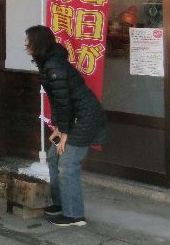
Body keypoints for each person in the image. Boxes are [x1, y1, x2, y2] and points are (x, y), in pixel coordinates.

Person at [24, 25, 108, 227]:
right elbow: (61, 101)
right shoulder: (49, 62)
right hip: (75, 117)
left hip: (84, 118)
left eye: (28, 41)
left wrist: (65, 132)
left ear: (38, 43)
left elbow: (64, 103)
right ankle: (61, 204)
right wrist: (59, 128)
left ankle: (74, 215)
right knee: (54, 158)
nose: (25, 45)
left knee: (67, 164)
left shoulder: (54, 66)